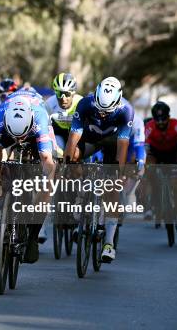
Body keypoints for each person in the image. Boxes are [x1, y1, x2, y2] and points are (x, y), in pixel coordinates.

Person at [0, 89, 56, 263]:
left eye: (21, 136)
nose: (19, 140)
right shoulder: (0, 114)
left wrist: (47, 181)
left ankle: (33, 238)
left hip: (35, 132)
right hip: (7, 131)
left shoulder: (40, 117)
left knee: (48, 178)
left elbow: (47, 160)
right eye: (17, 137)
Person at [65, 76, 134, 263]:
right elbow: (74, 136)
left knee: (111, 189)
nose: (103, 115)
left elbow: (122, 145)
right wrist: (68, 163)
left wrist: (118, 173)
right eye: (100, 110)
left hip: (113, 143)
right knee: (74, 158)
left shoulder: (126, 110)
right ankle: (81, 201)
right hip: (91, 139)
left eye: (107, 112)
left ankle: (109, 243)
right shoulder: (86, 103)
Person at [145, 101, 177, 234]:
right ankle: (155, 201)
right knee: (150, 175)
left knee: (176, 187)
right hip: (155, 154)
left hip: (172, 155)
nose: (160, 123)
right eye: (157, 120)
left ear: (169, 117)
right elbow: (146, 152)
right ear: (153, 119)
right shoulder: (149, 127)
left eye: (164, 119)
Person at [44, 73, 83, 159]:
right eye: (59, 93)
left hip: (76, 134)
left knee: (76, 155)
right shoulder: (49, 104)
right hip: (59, 133)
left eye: (67, 94)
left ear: (73, 93)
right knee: (55, 152)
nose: (63, 98)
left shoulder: (81, 102)